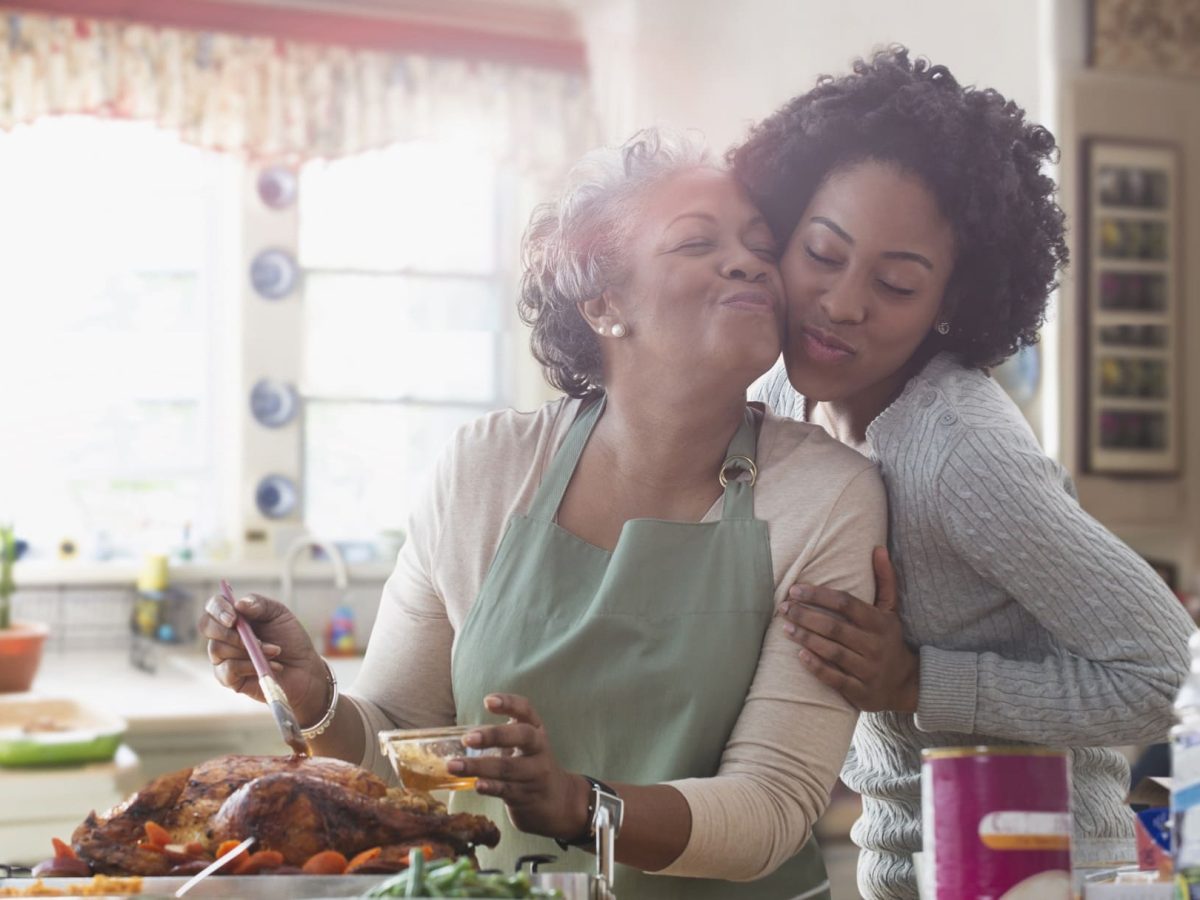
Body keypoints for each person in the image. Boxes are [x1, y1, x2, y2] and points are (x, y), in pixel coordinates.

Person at [200, 129, 887, 899]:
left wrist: (580, 804)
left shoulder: (826, 496)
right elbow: (403, 746)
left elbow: (771, 812)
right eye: (698, 242)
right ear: (603, 303)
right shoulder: (486, 470)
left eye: (761, 245)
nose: (749, 260)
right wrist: (314, 699)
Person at [730, 47, 1195, 899]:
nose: (842, 303)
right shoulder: (776, 396)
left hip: (1042, 876)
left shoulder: (959, 449)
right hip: (898, 869)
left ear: (953, 302)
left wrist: (915, 680)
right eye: (822, 253)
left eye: (897, 284)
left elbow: (1170, 677)